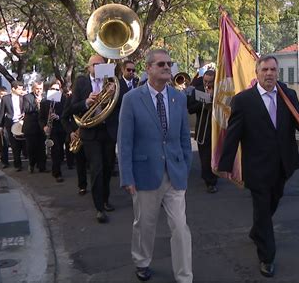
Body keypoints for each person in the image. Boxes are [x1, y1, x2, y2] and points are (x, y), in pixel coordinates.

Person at [218, 55, 299, 278]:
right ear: (257, 73)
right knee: (263, 209)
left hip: (283, 163)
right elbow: (233, 134)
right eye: (265, 69)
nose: (269, 73)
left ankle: (257, 231)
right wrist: (225, 164)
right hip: (257, 166)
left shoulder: (287, 94)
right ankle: (267, 256)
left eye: (273, 69)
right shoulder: (243, 100)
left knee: (273, 202)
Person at [118, 49, 193, 282]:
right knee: (145, 224)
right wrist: (127, 177)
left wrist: (185, 167)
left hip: (175, 173)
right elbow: (125, 141)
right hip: (145, 174)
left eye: (169, 63)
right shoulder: (131, 99)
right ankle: (141, 261)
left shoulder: (179, 98)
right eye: (161, 64)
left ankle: (184, 276)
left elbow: (183, 138)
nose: (167, 67)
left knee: (180, 227)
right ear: (148, 68)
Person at [69, 54, 126, 223]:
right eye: (95, 65)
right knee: (97, 168)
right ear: (89, 68)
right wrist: (86, 102)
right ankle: (99, 207)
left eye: (102, 64)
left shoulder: (113, 82)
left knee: (108, 168)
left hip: (108, 131)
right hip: (90, 132)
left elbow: (123, 104)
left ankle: (105, 199)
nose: (99, 67)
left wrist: (115, 92)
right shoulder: (81, 82)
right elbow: (72, 107)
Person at [187, 70, 218, 193]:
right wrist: (205, 101)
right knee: (205, 157)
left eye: (210, 82)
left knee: (215, 156)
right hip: (202, 129)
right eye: (205, 81)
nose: (207, 84)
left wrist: (214, 98)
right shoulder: (197, 90)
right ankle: (209, 182)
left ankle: (212, 176)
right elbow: (190, 109)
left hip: (216, 129)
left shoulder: (219, 91)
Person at [61, 84, 88, 195]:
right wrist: (71, 132)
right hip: (78, 133)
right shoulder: (70, 99)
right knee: (80, 162)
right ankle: (82, 186)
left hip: (93, 133)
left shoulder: (96, 95)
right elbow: (64, 117)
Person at [39, 80, 66, 182]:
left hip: (61, 128)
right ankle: (57, 173)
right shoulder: (45, 102)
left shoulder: (64, 100)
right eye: (53, 89)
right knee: (56, 150)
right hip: (51, 129)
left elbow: (67, 114)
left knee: (59, 152)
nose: (55, 91)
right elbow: (41, 118)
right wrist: (44, 127)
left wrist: (58, 116)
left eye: (57, 89)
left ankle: (57, 168)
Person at [0, 81, 25, 171]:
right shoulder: (6, 98)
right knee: (14, 145)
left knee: (23, 143)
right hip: (10, 123)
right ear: (13, 89)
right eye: (19, 89)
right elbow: (2, 112)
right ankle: (18, 165)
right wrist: (0, 126)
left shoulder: (23, 98)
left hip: (21, 123)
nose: (21, 90)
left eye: (22, 89)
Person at [22, 81, 47, 173]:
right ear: (33, 88)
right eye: (37, 88)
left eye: (40, 88)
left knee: (42, 148)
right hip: (31, 126)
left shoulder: (45, 97)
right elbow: (26, 109)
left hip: (42, 126)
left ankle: (42, 167)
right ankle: (31, 164)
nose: (39, 91)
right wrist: (36, 104)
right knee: (31, 147)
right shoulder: (27, 97)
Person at [0, 87, 9, 166]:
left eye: (5, 94)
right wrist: (2, 115)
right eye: (2, 94)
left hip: (6, 125)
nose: (3, 96)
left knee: (4, 143)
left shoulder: (8, 101)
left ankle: (5, 161)